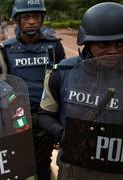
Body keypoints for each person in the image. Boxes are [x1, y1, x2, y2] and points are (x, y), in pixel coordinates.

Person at [38, 2, 123, 179]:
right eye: (103, 45)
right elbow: (44, 115)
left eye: (120, 44)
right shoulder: (62, 73)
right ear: (87, 43)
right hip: (73, 168)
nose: (113, 51)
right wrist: (62, 134)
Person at [0, 0, 66, 179]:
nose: (32, 21)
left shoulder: (54, 45)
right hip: (17, 118)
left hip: (47, 118)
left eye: (36, 16)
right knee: (18, 164)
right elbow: (0, 86)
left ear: (42, 19)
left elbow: (63, 83)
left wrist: (59, 123)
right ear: (17, 21)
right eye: (26, 17)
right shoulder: (6, 49)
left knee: (43, 164)